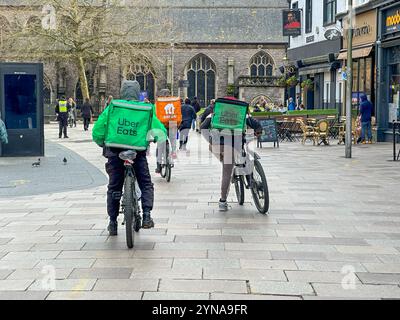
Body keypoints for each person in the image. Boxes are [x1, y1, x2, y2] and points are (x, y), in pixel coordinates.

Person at [92, 80, 167, 235]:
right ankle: (146, 215)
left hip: (115, 152)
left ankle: (112, 222)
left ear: (122, 91)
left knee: (114, 187)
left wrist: (102, 143)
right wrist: (154, 138)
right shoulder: (145, 109)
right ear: (137, 93)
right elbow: (160, 132)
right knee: (145, 183)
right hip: (137, 153)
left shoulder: (113, 107)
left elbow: (98, 131)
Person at [200, 97, 262, 212]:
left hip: (218, 146)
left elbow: (203, 127)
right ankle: (245, 178)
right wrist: (258, 131)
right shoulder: (241, 113)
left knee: (226, 171)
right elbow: (255, 123)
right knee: (230, 166)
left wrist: (211, 140)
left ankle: (223, 201)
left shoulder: (215, 114)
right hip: (235, 144)